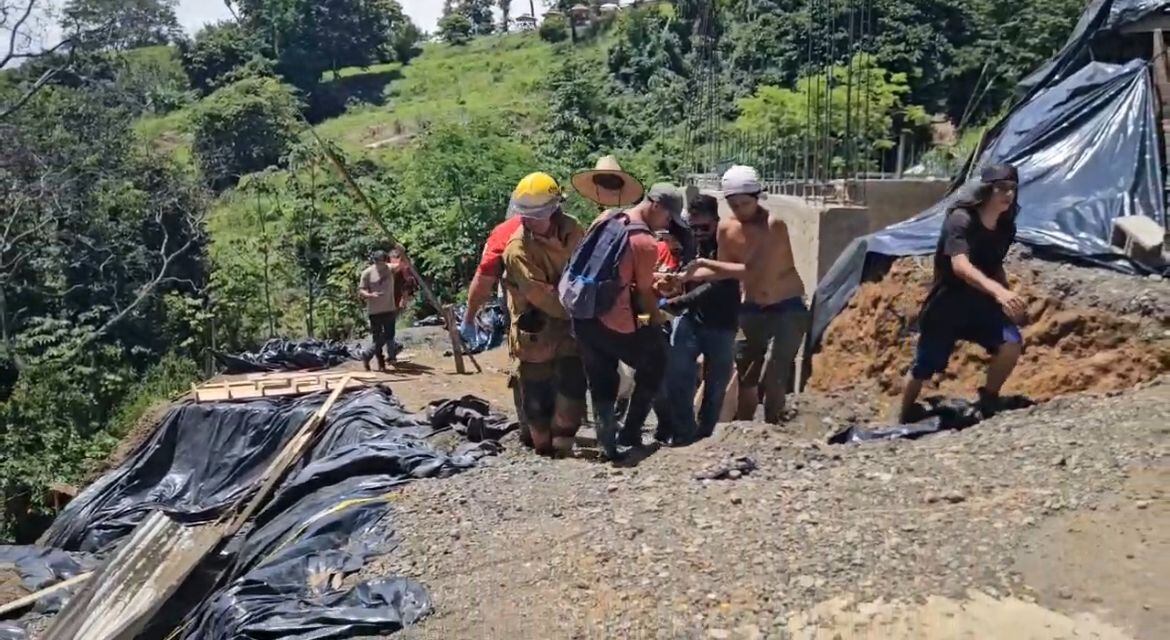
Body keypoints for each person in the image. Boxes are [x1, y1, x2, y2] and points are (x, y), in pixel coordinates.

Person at [566, 184, 686, 460]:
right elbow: (643, 294)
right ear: (656, 205)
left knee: (601, 378)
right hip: (612, 319)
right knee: (657, 361)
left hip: (582, 311)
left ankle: (607, 442)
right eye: (668, 217)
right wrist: (655, 320)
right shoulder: (644, 242)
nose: (667, 224)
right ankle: (631, 432)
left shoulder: (608, 217)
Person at [899, 163, 1026, 423]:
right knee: (925, 365)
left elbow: (994, 264)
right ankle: (903, 415)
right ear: (986, 189)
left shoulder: (1005, 227)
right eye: (1002, 188)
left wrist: (1008, 296)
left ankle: (989, 399)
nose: (1008, 194)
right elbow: (960, 266)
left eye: (1013, 188)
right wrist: (999, 292)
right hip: (947, 304)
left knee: (1011, 343)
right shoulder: (961, 220)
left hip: (981, 303)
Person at [682, 165, 808, 425]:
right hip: (751, 307)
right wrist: (684, 278)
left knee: (775, 374)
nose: (740, 209)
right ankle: (746, 429)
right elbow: (724, 272)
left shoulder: (773, 225)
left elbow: (754, 271)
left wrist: (704, 263)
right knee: (746, 376)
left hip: (786, 306)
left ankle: (773, 426)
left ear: (757, 197)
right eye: (734, 204)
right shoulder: (726, 229)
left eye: (745, 203)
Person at [501, 172, 588, 457]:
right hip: (537, 327)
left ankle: (563, 446)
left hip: (572, 322)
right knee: (537, 396)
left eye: (536, 215)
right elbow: (540, 295)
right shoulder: (517, 250)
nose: (529, 221)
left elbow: (585, 268)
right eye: (525, 215)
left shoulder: (573, 229)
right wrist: (578, 309)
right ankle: (541, 446)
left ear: (553, 209)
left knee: (573, 385)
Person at [658, 194, 741, 443]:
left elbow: (717, 284)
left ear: (716, 221)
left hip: (722, 323)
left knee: (715, 386)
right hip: (691, 320)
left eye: (703, 227)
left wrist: (680, 302)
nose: (698, 233)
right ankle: (683, 434)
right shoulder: (691, 241)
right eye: (693, 227)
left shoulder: (728, 243)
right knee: (677, 377)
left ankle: (704, 436)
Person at [359, 249, 403, 371]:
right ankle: (380, 363)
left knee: (390, 334)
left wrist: (402, 252)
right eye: (379, 262)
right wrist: (370, 295)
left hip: (389, 308)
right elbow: (361, 290)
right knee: (377, 337)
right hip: (374, 311)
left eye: (383, 262)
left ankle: (372, 354)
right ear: (375, 261)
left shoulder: (390, 268)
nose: (381, 265)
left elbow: (402, 264)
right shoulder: (367, 273)